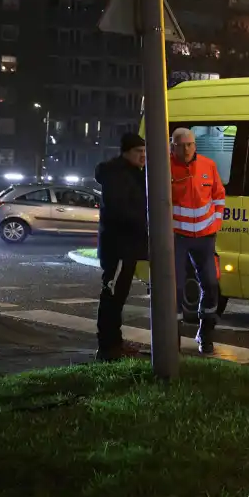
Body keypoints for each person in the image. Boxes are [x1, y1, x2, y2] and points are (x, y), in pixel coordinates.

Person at [170, 127, 225, 353]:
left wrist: (216, 222)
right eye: (181, 145)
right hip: (177, 236)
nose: (186, 150)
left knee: (211, 285)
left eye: (189, 145)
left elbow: (218, 196)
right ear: (172, 146)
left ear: (195, 145)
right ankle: (171, 340)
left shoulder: (208, 165)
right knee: (175, 287)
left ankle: (206, 334)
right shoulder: (165, 166)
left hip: (205, 236)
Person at [94, 133, 147, 361]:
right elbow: (120, 210)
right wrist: (145, 222)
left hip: (127, 245)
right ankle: (108, 347)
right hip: (118, 246)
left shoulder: (133, 173)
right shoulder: (117, 175)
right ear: (126, 152)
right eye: (138, 152)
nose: (143, 156)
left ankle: (115, 342)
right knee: (112, 296)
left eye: (144, 151)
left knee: (118, 296)